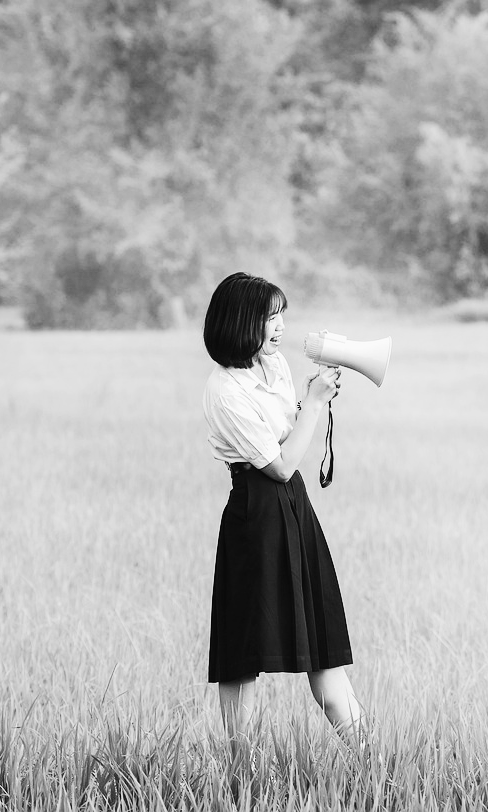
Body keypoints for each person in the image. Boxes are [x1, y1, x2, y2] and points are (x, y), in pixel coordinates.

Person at [202, 272, 364, 749]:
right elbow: (280, 465)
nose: (280, 327)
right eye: (270, 317)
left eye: (281, 316)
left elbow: (289, 437)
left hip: (295, 508)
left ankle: (373, 762)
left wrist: (311, 399)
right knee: (242, 652)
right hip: (256, 514)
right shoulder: (225, 391)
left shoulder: (273, 367)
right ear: (240, 322)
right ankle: (240, 769)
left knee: (323, 646)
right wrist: (312, 404)